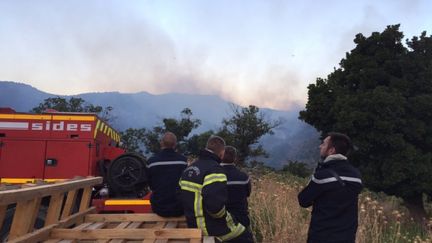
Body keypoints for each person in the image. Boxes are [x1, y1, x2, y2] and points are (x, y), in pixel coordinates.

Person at [179, 136, 252, 242]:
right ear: (222, 153)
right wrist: (226, 216)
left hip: (192, 222)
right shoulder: (215, 170)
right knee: (245, 236)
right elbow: (215, 209)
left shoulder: (189, 168)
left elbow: (179, 195)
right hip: (209, 227)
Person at [298, 132, 363, 243]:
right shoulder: (356, 176)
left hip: (322, 236)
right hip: (347, 237)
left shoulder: (323, 176)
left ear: (331, 150)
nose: (320, 146)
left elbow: (303, 200)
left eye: (323, 144)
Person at [147, 132, 187, 217]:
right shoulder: (183, 161)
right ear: (175, 144)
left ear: (161, 143)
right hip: (179, 209)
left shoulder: (151, 162)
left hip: (159, 208)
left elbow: (150, 185)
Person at [221, 146, 254, 242]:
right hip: (241, 222)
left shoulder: (214, 176)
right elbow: (248, 194)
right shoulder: (244, 177)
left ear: (221, 156)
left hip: (221, 223)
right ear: (235, 158)